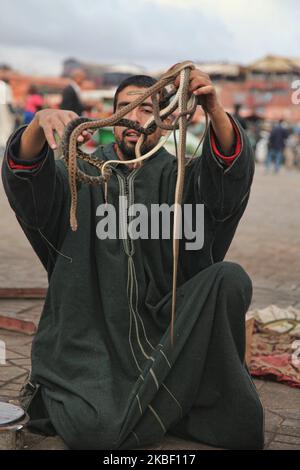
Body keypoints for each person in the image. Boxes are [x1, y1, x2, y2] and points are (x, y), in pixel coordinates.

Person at [2, 69, 264, 450]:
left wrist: (215, 112)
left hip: (168, 337)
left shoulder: (183, 179)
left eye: (146, 110)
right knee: (95, 432)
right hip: (91, 341)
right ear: (109, 118)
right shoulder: (79, 174)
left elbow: (227, 183)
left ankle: (153, 404)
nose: (134, 118)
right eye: (124, 108)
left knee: (229, 279)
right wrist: (36, 127)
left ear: (168, 119)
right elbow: (27, 179)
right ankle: (168, 408)